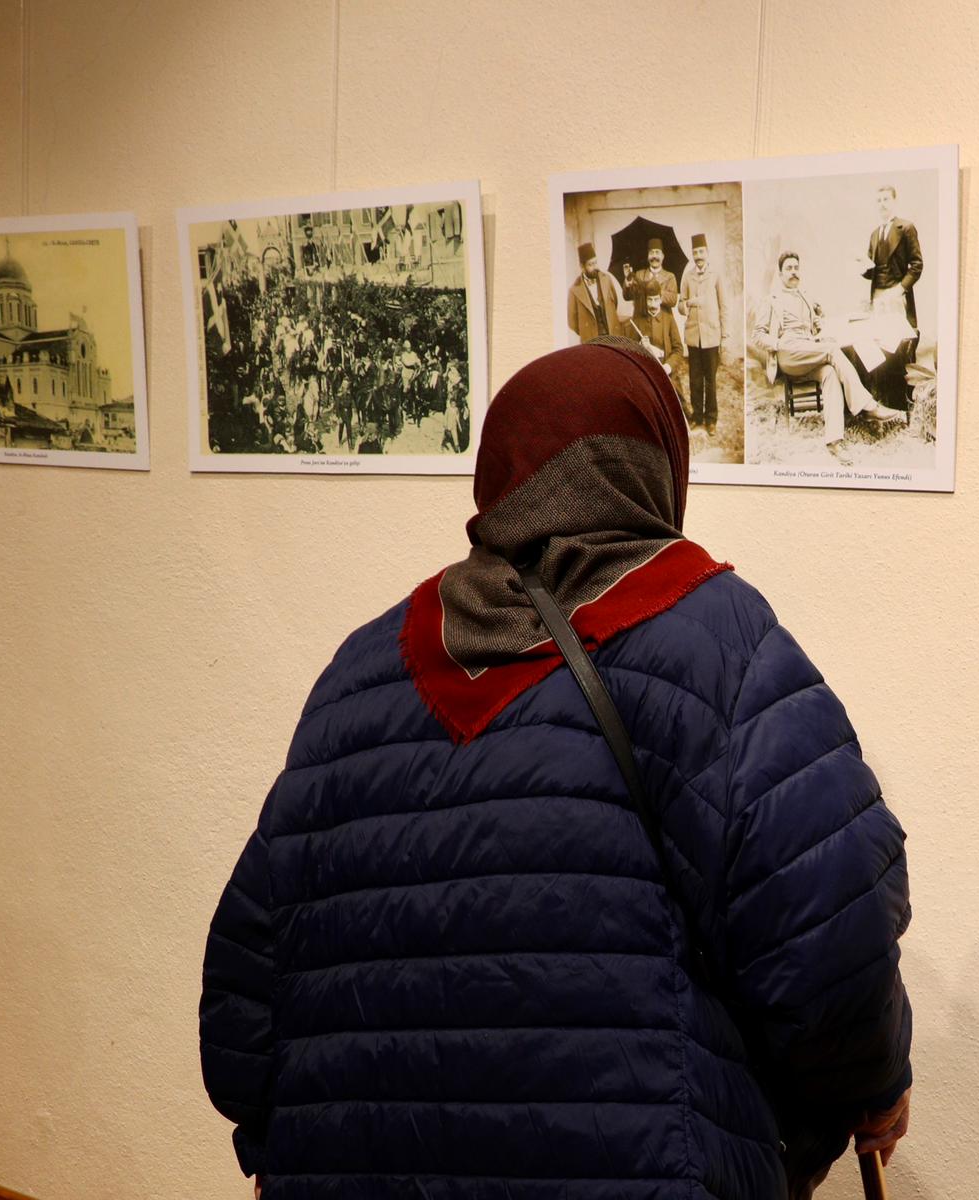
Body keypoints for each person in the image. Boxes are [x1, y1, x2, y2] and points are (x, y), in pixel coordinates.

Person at [199, 340, 914, 1200]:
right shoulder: (719, 641)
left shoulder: (358, 672)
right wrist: (868, 1088)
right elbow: (829, 931)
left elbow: (246, 996)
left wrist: (285, 1136)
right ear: (654, 465)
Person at [752, 251, 905, 462]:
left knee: (830, 373)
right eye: (788, 268)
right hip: (788, 353)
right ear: (780, 274)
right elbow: (757, 335)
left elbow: (814, 326)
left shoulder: (805, 296)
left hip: (808, 351)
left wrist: (817, 324)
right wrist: (777, 344)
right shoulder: (771, 300)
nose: (793, 272)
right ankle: (868, 407)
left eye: (796, 268)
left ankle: (834, 442)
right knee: (832, 350)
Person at [679, 232, 726, 432]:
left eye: (701, 251)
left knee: (710, 380)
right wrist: (688, 303)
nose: (698, 256)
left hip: (712, 336)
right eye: (695, 252)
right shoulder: (687, 276)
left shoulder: (716, 275)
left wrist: (725, 335)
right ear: (692, 254)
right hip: (693, 336)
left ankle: (711, 419)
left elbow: (724, 306)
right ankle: (697, 416)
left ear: (707, 252)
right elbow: (681, 305)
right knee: (695, 379)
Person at [864, 184, 923, 338]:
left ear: (894, 201)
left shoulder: (906, 228)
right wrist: (862, 267)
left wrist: (900, 289)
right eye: (878, 200)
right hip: (877, 295)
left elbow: (917, 265)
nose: (882, 204)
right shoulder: (874, 234)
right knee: (879, 340)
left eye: (886, 199)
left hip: (897, 294)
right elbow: (872, 272)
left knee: (898, 340)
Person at [627, 279, 686, 405]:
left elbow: (678, 349)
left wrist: (668, 367)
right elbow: (629, 352)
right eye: (649, 300)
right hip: (646, 376)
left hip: (667, 374)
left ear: (660, 299)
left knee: (677, 406)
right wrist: (641, 346)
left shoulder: (669, 320)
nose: (653, 304)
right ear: (645, 300)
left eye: (656, 299)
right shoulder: (638, 321)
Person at [566, 242, 626, 342]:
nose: (595, 267)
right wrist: (587, 330)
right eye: (590, 264)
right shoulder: (574, 290)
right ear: (582, 266)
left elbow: (614, 303)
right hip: (591, 340)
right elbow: (572, 323)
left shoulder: (607, 279)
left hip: (611, 335)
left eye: (595, 262)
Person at [633, 238, 680, 313]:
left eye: (657, 252)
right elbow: (628, 296)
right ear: (648, 256)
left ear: (663, 256)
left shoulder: (670, 276)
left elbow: (673, 300)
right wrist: (627, 282)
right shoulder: (639, 274)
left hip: (663, 318)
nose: (654, 256)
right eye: (651, 253)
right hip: (643, 317)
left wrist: (654, 290)